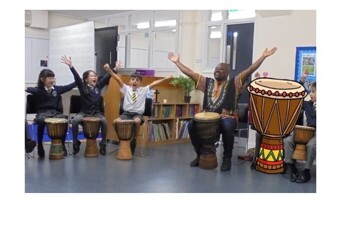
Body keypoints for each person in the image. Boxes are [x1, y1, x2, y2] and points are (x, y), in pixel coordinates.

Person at [168, 47, 277, 171]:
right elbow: (190, 72)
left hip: (228, 116)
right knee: (192, 125)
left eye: (220, 69)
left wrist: (263, 56)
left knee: (227, 125)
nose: (217, 71)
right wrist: (177, 62)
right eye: (216, 69)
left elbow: (250, 70)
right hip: (208, 118)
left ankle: (227, 158)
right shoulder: (207, 82)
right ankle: (199, 153)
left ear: (227, 72)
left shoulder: (235, 82)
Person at [104, 63, 173, 154]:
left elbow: (154, 83)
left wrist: (166, 78)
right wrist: (109, 70)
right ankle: (121, 137)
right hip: (126, 113)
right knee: (115, 122)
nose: (135, 81)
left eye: (137, 80)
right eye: (133, 79)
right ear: (130, 81)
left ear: (140, 82)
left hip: (137, 114)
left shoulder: (144, 90)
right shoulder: (126, 89)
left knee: (136, 121)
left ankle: (134, 138)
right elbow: (117, 78)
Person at [25, 57, 79, 158]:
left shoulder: (57, 89)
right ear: (42, 79)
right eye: (50, 78)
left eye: (53, 78)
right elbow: (27, 89)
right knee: (41, 121)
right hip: (42, 113)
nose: (52, 80)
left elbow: (76, 82)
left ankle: (62, 145)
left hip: (55, 113)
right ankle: (40, 145)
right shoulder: (38, 90)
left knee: (63, 119)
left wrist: (71, 67)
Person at [66, 56, 113, 156]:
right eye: (92, 76)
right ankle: (75, 143)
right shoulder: (82, 86)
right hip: (84, 112)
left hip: (96, 112)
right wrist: (71, 66)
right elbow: (77, 78)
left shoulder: (98, 86)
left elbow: (107, 77)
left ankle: (103, 143)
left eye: (95, 75)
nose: (95, 77)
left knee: (104, 121)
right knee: (75, 121)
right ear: (86, 79)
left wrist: (115, 69)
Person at [284, 82, 316, 183]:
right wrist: (301, 83)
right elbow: (296, 96)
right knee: (287, 141)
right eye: (310, 91)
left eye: (314, 92)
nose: (310, 94)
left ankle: (306, 171)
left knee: (312, 145)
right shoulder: (307, 104)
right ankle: (293, 168)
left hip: (316, 133)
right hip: (302, 132)